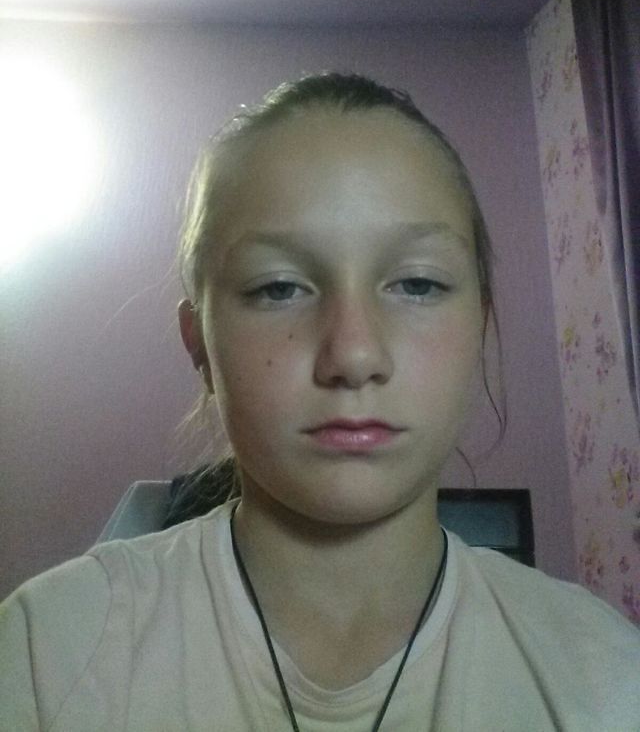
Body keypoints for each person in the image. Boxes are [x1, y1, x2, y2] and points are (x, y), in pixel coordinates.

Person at [1, 72, 639, 731]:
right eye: (278, 288)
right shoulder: (47, 655)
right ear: (200, 345)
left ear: (482, 322)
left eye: (418, 284)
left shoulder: (608, 678)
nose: (354, 355)